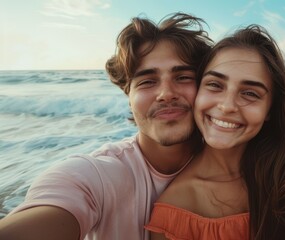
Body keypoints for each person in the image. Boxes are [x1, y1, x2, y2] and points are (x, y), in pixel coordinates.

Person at [0, 13, 212, 240]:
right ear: (128, 95)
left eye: (183, 77)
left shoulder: (238, 165)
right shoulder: (95, 176)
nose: (166, 93)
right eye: (147, 81)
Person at [145, 25, 285, 239]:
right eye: (215, 85)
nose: (227, 105)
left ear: (270, 109)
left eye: (250, 93)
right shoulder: (174, 208)